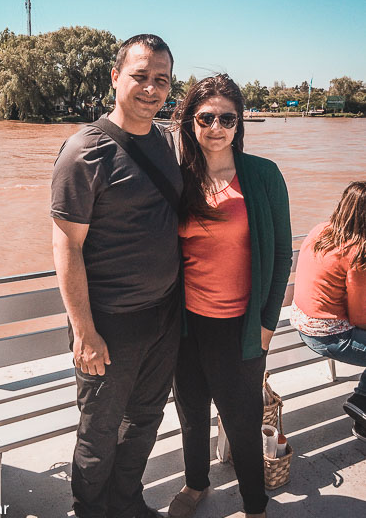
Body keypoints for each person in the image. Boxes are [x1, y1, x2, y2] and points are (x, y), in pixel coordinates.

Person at [51, 34, 183, 518]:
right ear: (115, 77)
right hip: (107, 325)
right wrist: (84, 332)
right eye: (141, 76)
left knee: (146, 419)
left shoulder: (169, 143)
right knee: (99, 429)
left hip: (164, 318)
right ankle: (90, 509)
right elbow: (66, 245)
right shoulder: (84, 151)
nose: (151, 88)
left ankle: (127, 502)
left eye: (161, 80)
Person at [168, 74, 292, 518]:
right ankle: (195, 484)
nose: (216, 126)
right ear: (191, 121)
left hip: (239, 327)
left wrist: (265, 326)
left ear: (239, 124)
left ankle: (254, 506)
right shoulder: (178, 178)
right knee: (191, 412)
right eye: (206, 117)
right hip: (185, 323)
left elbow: (281, 257)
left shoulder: (262, 176)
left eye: (227, 118)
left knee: (241, 421)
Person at [291, 181, 366, 441]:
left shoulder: (320, 230)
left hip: (301, 323)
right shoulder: (357, 252)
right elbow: (359, 317)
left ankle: (362, 407)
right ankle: (361, 400)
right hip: (330, 337)